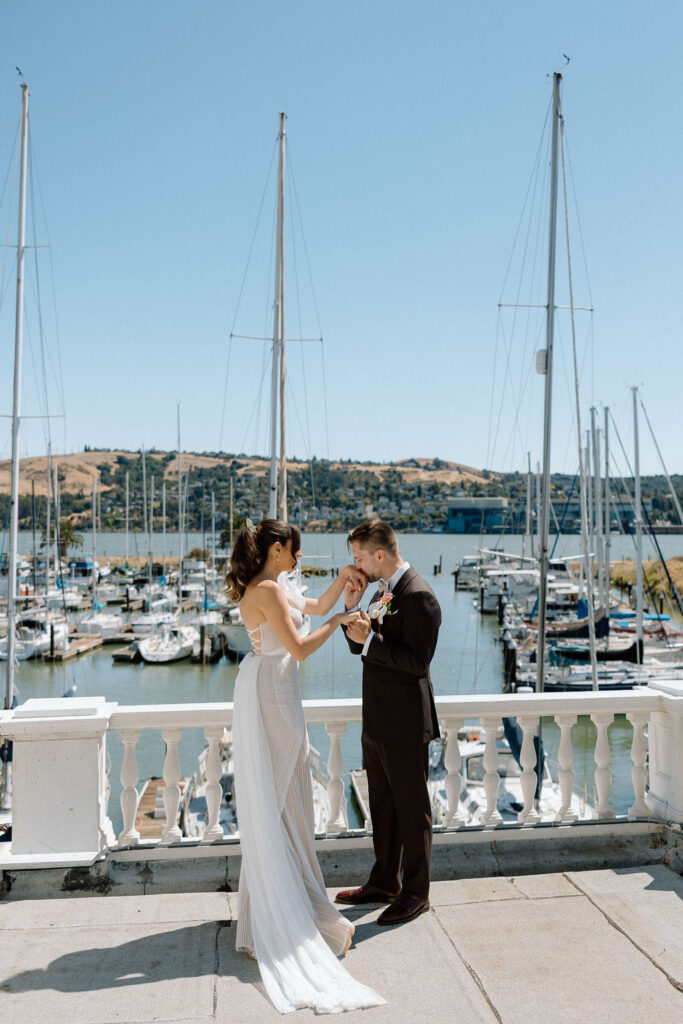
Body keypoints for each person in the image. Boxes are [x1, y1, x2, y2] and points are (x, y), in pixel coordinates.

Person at [227, 519, 386, 1015]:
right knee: (279, 801)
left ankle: (277, 913)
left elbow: (314, 605)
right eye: (294, 553)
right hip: (275, 695)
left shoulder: (269, 586)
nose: (298, 561)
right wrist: (340, 623)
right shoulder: (269, 590)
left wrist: (341, 583)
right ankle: (287, 918)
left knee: (284, 801)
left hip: (273, 687)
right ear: (278, 550)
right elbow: (298, 648)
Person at [336, 520, 441, 925]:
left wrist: (370, 639)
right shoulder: (383, 592)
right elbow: (357, 648)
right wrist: (350, 608)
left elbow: (417, 663)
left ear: (379, 554)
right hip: (377, 719)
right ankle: (385, 881)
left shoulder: (420, 597)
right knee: (381, 803)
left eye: (359, 557)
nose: (356, 565)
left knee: (412, 810)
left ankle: (417, 892)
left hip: (406, 723)